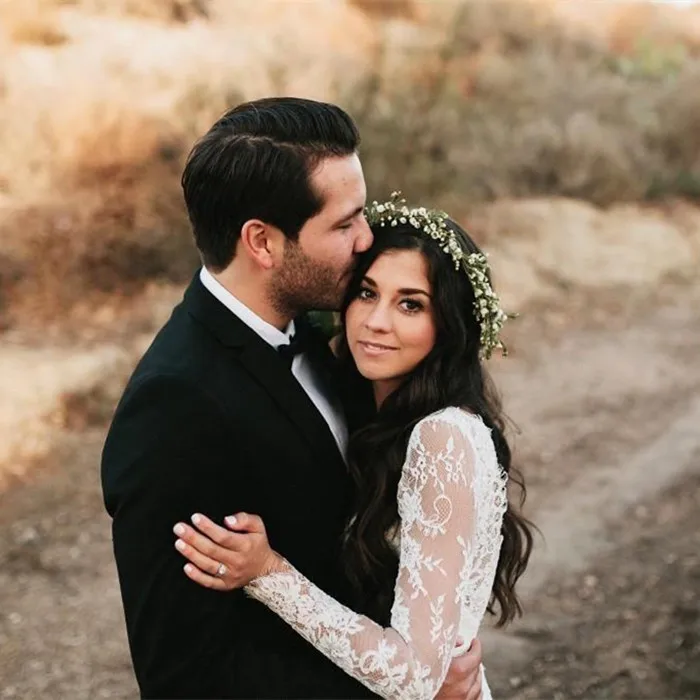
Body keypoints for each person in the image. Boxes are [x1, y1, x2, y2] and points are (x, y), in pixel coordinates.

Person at [101, 98, 484, 699]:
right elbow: (185, 676)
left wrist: (432, 647)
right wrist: (403, 688)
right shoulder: (176, 406)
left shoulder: (325, 337)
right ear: (263, 242)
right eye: (344, 223)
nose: (367, 240)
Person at [169, 195, 534, 700]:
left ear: (448, 324)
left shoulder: (442, 436)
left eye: (411, 304)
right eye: (367, 293)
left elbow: (414, 676)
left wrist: (269, 573)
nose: (376, 321)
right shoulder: (375, 416)